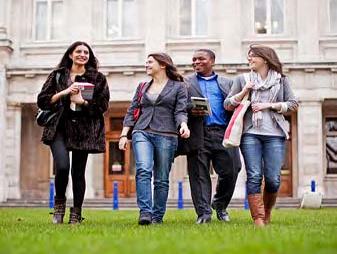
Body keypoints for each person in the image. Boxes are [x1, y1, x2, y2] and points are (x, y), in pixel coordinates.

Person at [224, 44, 298, 226]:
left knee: (273, 179)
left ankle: (266, 211)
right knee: (254, 175)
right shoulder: (243, 79)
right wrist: (244, 91)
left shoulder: (281, 80)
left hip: (275, 134)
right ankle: (258, 218)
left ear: (264, 58)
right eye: (248, 56)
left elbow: (293, 103)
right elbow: (227, 104)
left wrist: (270, 106)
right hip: (250, 134)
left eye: (253, 56)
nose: (249, 59)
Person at [37, 41, 110, 224]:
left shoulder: (98, 78)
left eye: (86, 52)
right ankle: (59, 207)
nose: (82, 55)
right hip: (59, 127)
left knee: (78, 173)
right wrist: (65, 92)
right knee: (62, 167)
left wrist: (83, 102)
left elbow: (103, 106)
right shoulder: (58, 75)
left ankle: (76, 213)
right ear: (70, 54)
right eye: (79, 51)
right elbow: (43, 101)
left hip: (84, 129)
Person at [119, 53, 190, 225]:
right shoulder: (142, 86)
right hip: (142, 131)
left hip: (167, 134)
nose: (146, 65)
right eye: (146, 62)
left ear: (163, 65)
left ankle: (157, 216)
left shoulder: (178, 86)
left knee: (161, 178)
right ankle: (145, 212)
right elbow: (132, 110)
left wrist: (183, 124)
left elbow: (180, 110)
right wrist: (123, 134)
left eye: (150, 62)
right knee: (143, 169)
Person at [178, 49, 241, 224]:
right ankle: (204, 213)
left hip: (223, 133)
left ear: (212, 61)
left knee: (232, 169)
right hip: (198, 133)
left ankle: (220, 204)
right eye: (194, 59)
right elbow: (178, 104)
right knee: (198, 174)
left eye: (201, 59)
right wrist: (192, 107)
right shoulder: (184, 82)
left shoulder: (228, 83)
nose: (196, 62)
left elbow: (236, 105)